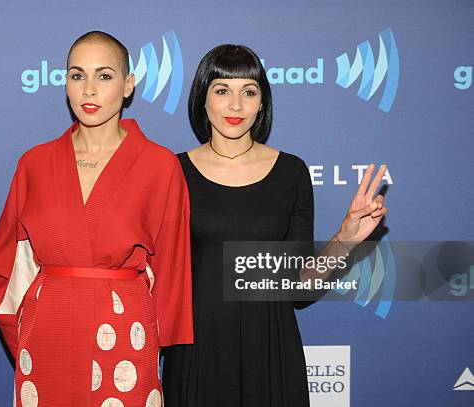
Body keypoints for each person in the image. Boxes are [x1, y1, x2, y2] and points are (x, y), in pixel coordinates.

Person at [0, 31, 193, 407]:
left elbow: (173, 267)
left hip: (123, 328)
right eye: (77, 75)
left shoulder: (160, 166)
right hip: (48, 324)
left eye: (104, 76)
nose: (89, 90)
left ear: (128, 85)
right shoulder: (34, 163)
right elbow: (8, 252)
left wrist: (169, 348)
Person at [161, 44, 387, 407]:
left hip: (270, 349)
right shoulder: (172, 172)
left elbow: (299, 289)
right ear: (202, 99)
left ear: (262, 102)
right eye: (222, 90)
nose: (236, 106)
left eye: (248, 92)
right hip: (196, 350)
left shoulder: (291, 172)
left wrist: (344, 240)